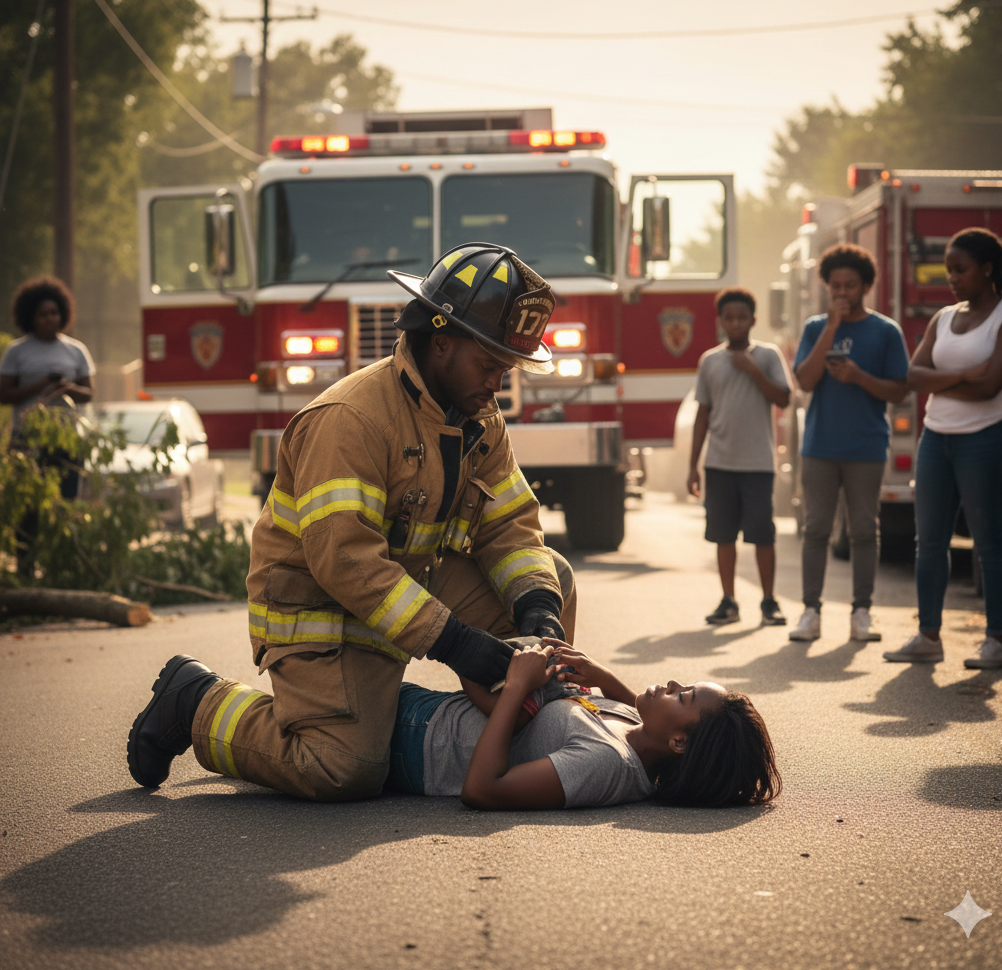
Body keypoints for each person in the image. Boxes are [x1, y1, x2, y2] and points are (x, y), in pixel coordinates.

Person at [127, 242, 577, 801]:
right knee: (343, 768)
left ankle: (504, 728)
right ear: (441, 342)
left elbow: (509, 524)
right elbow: (346, 561)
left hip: (406, 588)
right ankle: (195, 700)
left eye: (505, 368)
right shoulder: (352, 419)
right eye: (489, 365)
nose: (498, 383)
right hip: (320, 609)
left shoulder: (478, 419)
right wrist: (459, 645)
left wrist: (539, 614)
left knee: (552, 576)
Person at [387, 641, 781, 809]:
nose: (675, 684)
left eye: (684, 696)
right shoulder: (635, 726)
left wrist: (518, 686)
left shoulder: (605, 763)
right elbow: (634, 706)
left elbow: (482, 790)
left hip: (416, 739)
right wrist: (601, 675)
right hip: (429, 705)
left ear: (679, 743)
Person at [884, 228, 1002, 669]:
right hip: (935, 439)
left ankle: (996, 641)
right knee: (929, 542)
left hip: (986, 439)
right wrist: (963, 376)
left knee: (989, 542)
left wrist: (947, 382)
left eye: (960, 270)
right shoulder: (943, 318)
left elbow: (990, 388)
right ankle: (928, 636)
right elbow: (913, 376)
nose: (953, 279)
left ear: (987, 269)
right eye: (948, 271)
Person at [790, 244, 910, 643]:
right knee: (816, 529)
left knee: (862, 530)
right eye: (835, 286)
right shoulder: (814, 328)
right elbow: (804, 381)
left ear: (866, 287)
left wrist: (859, 377)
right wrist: (831, 329)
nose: (842, 293)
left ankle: (862, 612)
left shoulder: (885, 331)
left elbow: (898, 391)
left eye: (850, 286)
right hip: (819, 446)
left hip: (866, 447)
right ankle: (810, 611)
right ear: (826, 286)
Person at [688, 288, 792, 627]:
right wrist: (693, 466)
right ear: (720, 321)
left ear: (753, 320)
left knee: (763, 535)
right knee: (723, 535)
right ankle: (729, 601)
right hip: (719, 463)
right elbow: (702, 414)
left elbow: (784, 398)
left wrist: (753, 370)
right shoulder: (710, 360)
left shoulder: (768, 355)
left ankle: (768, 601)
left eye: (742, 318)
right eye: (729, 318)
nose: (735, 324)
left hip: (758, 463)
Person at [0, 276, 95, 575]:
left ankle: (60, 569)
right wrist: (40, 385)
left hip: (65, 439)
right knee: (29, 508)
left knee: (65, 504)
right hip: (27, 440)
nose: (50, 318)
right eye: (43, 314)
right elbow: (4, 394)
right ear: (31, 316)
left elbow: (89, 392)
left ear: (63, 314)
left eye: (54, 313)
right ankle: (26, 567)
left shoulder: (75, 350)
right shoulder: (17, 352)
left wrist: (66, 388)